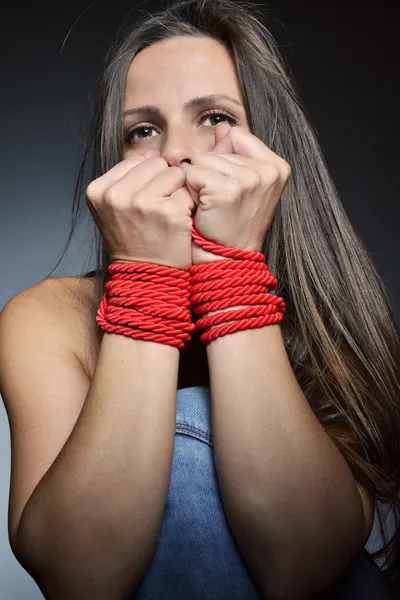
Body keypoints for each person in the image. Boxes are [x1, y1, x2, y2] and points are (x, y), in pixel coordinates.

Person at [0, 0, 399, 598]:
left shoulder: (325, 317)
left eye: (214, 117)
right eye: (144, 129)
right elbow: (81, 579)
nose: (175, 153)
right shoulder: (47, 318)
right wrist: (146, 279)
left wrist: (229, 270)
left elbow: (303, 564)